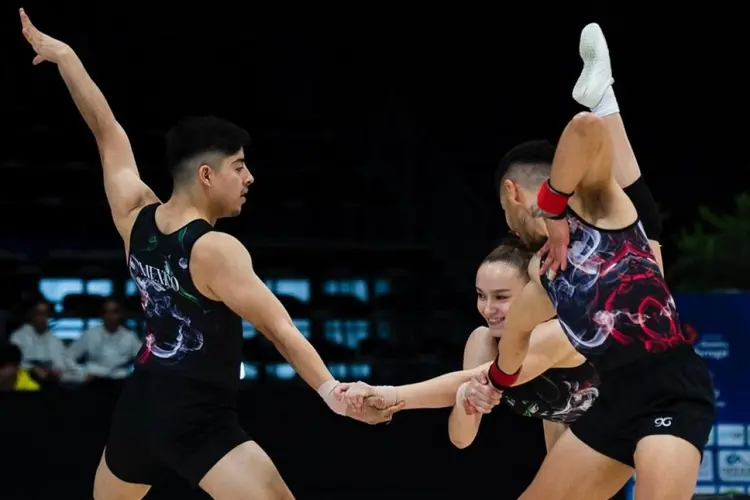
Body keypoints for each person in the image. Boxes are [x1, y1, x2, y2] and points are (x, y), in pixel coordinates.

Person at [19, 9, 401, 500]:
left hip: (139, 409)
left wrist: (67, 58)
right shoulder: (215, 248)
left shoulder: (133, 215)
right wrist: (334, 394)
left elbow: (106, 129)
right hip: (196, 417)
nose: (249, 178)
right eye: (238, 167)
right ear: (206, 174)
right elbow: (279, 328)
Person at [487, 23, 714, 500]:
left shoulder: (592, 205)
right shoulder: (542, 280)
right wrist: (494, 384)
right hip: (614, 400)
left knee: (643, 219)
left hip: (671, 390)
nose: (508, 227)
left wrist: (553, 211)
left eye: (505, 213)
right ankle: (605, 94)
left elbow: (585, 129)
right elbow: (512, 350)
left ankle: (604, 97)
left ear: (513, 194)